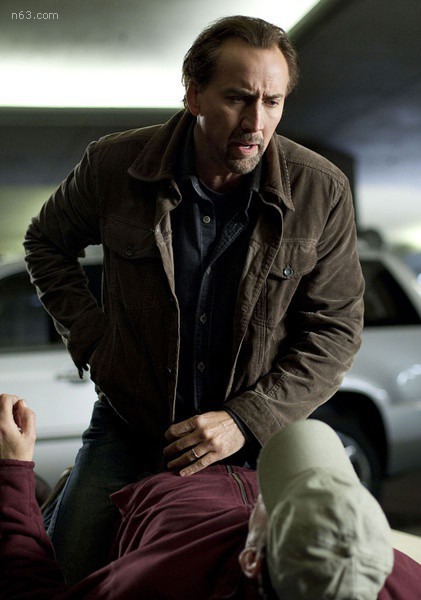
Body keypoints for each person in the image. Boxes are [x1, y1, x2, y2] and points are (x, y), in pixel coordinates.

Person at [24, 15, 365, 582]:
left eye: (272, 102)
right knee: (69, 573)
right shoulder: (115, 165)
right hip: (133, 423)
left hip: (258, 434)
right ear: (193, 94)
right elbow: (45, 243)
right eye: (237, 99)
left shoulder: (321, 189)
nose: (256, 122)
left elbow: (335, 331)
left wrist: (244, 420)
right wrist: (96, 342)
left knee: (289, 576)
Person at [1, 392, 421, 600]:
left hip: (147, 469)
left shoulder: (159, 581)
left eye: (275, 502)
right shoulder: (403, 581)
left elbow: (29, 589)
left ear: (252, 559)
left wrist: (13, 470)